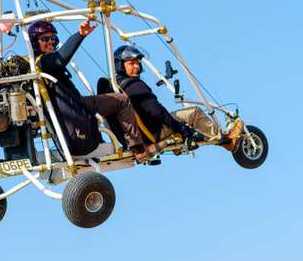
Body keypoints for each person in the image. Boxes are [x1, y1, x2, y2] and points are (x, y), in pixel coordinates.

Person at [28, 19, 154, 162]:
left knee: (119, 100)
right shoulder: (42, 63)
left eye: (53, 38)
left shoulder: (44, 63)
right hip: (72, 113)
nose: (51, 41)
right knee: (122, 101)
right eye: (45, 39)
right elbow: (59, 59)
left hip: (77, 104)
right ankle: (137, 148)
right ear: (35, 43)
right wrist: (80, 35)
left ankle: (131, 143)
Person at [113, 44, 244, 151]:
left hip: (141, 135)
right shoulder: (135, 85)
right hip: (155, 132)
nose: (137, 66)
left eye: (137, 63)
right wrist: (180, 129)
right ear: (120, 66)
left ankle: (213, 138)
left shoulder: (118, 85)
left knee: (175, 118)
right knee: (194, 112)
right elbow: (156, 111)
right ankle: (226, 140)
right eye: (131, 63)